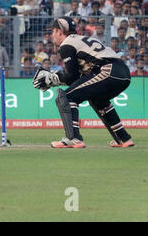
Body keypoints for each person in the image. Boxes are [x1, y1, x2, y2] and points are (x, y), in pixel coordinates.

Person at [33, 16, 134, 149]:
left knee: (66, 96)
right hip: (123, 72)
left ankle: (73, 138)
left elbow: (71, 77)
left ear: (59, 31)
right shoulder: (81, 39)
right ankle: (123, 138)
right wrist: (55, 78)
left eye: (53, 31)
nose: (52, 35)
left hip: (108, 70)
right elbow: (78, 77)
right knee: (97, 99)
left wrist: (52, 78)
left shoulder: (66, 44)